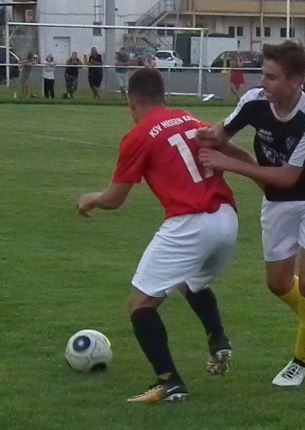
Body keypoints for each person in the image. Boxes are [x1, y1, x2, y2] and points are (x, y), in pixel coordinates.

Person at [76, 68, 238, 403]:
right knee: (191, 281)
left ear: (131, 102)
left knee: (140, 305)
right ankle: (218, 339)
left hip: (190, 222)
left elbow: (115, 199)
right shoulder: (191, 119)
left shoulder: (138, 134)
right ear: (163, 97)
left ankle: (169, 382)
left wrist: (91, 199)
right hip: (227, 218)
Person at [197, 41, 305, 387]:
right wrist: (202, 134)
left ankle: (300, 361)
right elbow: (219, 134)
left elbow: (289, 177)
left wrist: (231, 163)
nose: (263, 83)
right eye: (263, 75)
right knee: (277, 283)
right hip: (278, 200)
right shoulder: (254, 101)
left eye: (272, 77)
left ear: (296, 82)